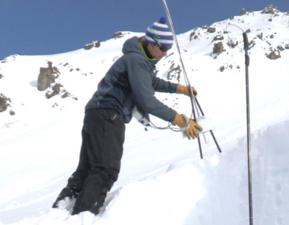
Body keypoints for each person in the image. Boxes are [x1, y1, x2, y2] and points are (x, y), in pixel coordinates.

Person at [52, 17, 202, 215]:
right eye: (163, 48)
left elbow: (151, 82)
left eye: (168, 49)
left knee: (87, 169)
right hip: (108, 115)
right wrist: (180, 119)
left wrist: (179, 89)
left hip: (96, 114)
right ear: (152, 42)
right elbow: (147, 100)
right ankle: (83, 216)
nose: (165, 53)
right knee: (105, 169)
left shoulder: (137, 59)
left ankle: (58, 213)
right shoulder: (137, 61)